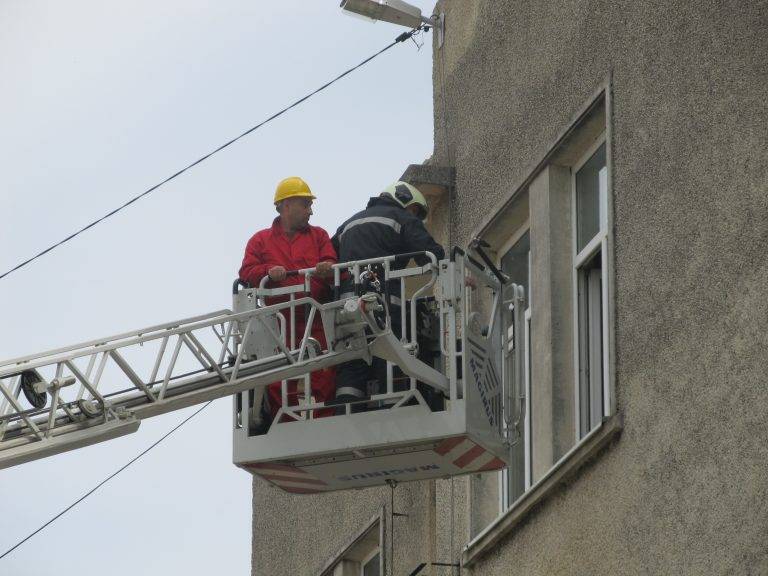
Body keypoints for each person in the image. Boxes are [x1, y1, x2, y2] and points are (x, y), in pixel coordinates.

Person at [331, 181, 445, 411]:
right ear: (403, 199)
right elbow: (430, 254)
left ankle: (347, 408)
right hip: (383, 301)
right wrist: (454, 271)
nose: (413, 216)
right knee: (389, 350)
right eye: (413, 210)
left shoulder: (346, 225)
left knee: (352, 356)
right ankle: (394, 405)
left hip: (345, 304)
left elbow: (330, 260)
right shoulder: (401, 218)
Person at [239, 176, 337, 421]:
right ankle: (286, 425)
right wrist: (267, 272)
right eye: (305, 204)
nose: (310, 211)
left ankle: (323, 425)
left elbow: (336, 268)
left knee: (324, 375)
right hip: (280, 326)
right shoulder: (260, 240)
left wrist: (329, 270)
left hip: (315, 321)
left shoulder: (319, 236)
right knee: (278, 380)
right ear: (285, 206)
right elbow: (246, 273)